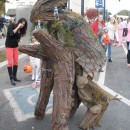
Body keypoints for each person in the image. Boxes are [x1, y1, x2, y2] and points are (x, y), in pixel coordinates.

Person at [5, 18, 27, 85]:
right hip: (9, 46)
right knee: (10, 63)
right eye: (22, 23)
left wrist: (18, 40)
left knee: (16, 62)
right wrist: (18, 27)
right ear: (19, 22)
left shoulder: (21, 30)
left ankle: (14, 77)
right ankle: (11, 78)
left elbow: (17, 38)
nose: (22, 25)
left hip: (15, 47)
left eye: (24, 24)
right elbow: (11, 34)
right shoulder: (12, 25)